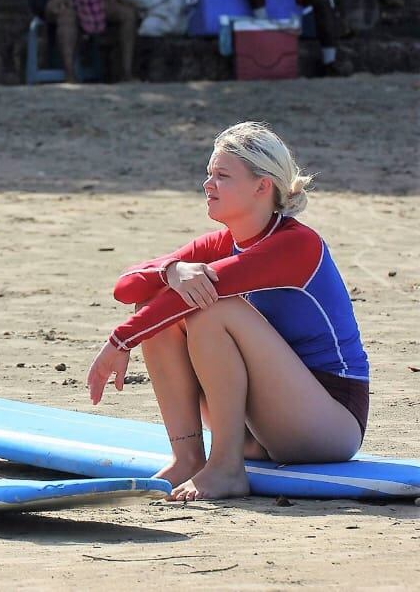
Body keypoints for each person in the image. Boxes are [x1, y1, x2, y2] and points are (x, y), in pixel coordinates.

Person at [86, 122, 368, 501]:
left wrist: (119, 342)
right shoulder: (223, 242)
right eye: (208, 174)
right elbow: (127, 288)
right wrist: (169, 271)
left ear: (261, 186)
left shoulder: (297, 245)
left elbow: (205, 294)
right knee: (157, 305)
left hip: (329, 423)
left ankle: (226, 468)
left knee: (208, 308)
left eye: (222, 176)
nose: (208, 185)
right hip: (264, 425)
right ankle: (187, 458)